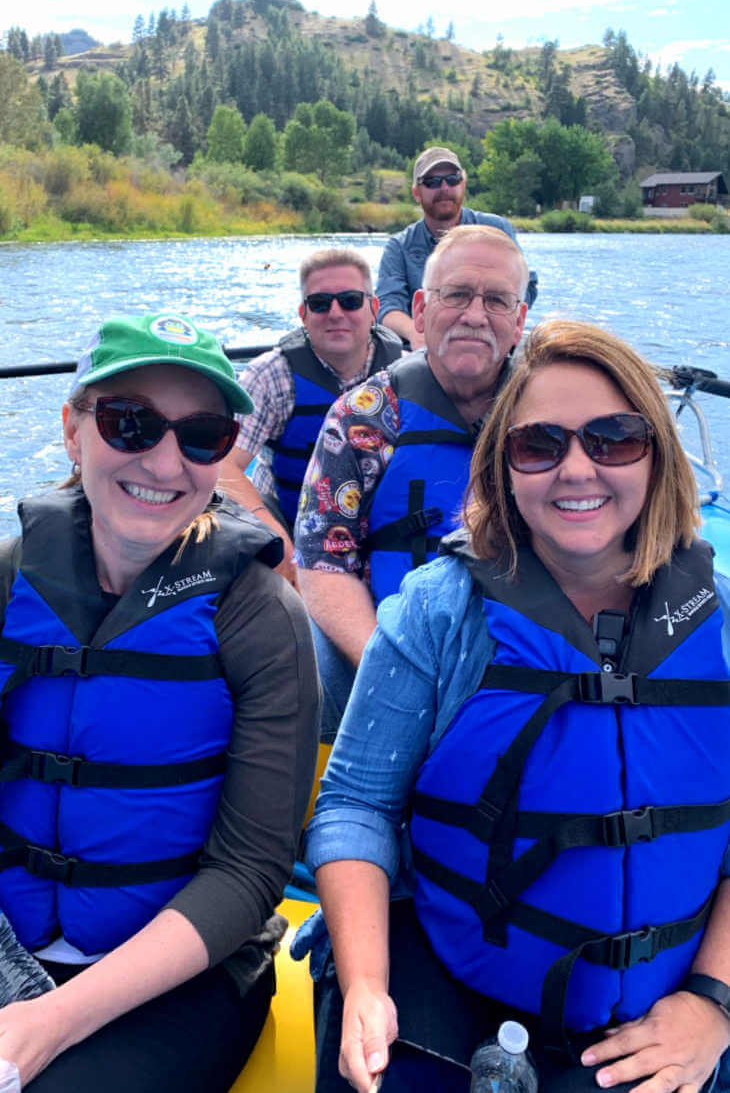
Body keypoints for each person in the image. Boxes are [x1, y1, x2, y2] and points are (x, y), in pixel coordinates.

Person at [297, 319, 730, 1093]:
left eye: (613, 438)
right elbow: (356, 803)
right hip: (452, 974)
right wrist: (365, 982)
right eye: (540, 445)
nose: (576, 470)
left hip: (666, 1007)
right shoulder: (438, 609)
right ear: (503, 466)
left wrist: (713, 1003)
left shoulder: (720, 623)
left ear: (657, 454)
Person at [0, 313, 319, 1091]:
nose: (164, 460)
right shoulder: (10, 578)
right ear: (74, 429)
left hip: (186, 976)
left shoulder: (260, 618)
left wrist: (47, 1020)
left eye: (202, 434)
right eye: (130, 423)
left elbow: (247, 874)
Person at [295, 224, 528, 739]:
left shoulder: (551, 412)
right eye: (458, 295)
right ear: (420, 310)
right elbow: (323, 561)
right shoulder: (365, 415)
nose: (474, 315)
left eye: (496, 300)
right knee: (301, 660)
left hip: (528, 647)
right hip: (389, 639)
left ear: (520, 320)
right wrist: (390, 666)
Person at [219, 248, 402, 582]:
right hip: (286, 523)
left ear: (374, 308)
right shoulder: (271, 375)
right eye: (320, 303)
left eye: (350, 300)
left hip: (378, 534)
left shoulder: (405, 374)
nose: (335, 313)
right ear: (303, 314)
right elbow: (222, 465)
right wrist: (281, 546)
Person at [375, 146, 538, 349]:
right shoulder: (398, 247)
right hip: (425, 351)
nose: (444, 188)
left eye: (452, 179)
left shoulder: (497, 229)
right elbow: (387, 306)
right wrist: (415, 333)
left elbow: (526, 289)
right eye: (432, 182)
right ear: (416, 193)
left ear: (463, 184)